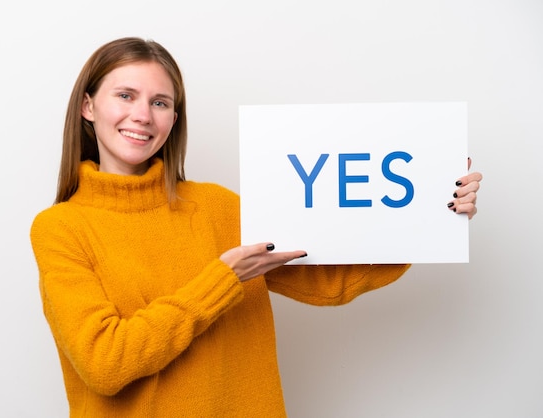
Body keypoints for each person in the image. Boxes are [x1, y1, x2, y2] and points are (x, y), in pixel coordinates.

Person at [30, 37, 483, 417]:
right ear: (88, 106)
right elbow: (106, 364)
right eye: (125, 95)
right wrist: (223, 279)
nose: (143, 115)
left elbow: (329, 283)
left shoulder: (217, 208)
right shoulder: (61, 228)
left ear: (174, 118)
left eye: (160, 102)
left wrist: (428, 213)